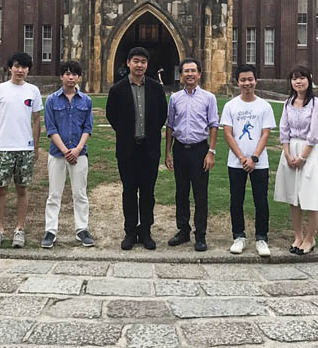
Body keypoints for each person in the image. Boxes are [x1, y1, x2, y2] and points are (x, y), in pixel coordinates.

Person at [106, 46, 168, 251]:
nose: (139, 65)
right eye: (136, 61)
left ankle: (146, 231)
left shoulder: (156, 88)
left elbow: (161, 115)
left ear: (147, 65)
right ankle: (130, 231)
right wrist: (126, 133)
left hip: (149, 149)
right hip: (127, 149)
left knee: (148, 192)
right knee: (129, 191)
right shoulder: (117, 89)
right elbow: (111, 116)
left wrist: (148, 132)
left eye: (143, 61)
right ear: (128, 63)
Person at [0, 52, 43, 249]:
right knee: (1, 189)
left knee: (22, 190)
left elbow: (36, 120)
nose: (20, 70)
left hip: (24, 148)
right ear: (10, 67)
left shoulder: (33, 91)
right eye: (17, 66)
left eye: (24, 67)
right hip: (3, 148)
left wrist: (35, 147)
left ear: (28, 70)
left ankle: (19, 229)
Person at [220, 64, 276, 257]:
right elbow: (228, 134)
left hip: (259, 162)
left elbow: (265, 133)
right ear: (238, 82)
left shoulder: (264, 106)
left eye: (250, 79)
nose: (247, 83)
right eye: (243, 80)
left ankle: (261, 238)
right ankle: (239, 236)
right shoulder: (231, 105)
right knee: (237, 200)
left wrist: (254, 157)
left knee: (261, 201)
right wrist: (243, 158)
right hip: (236, 162)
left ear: (255, 80)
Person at [274, 65, 318, 256]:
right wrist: (288, 153)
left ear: (309, 80)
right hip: (290, 151)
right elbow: (284, 130)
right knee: (294, 197)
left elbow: (315, 135)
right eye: (294, 78)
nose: (298, 82)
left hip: (310, 153)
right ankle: (297, 236)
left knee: (310, 196)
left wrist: (303, 157)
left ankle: (310, 238)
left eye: (302, 78)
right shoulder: (288, 102)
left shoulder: (317, 105)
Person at [164, 58, 219, 252]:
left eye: (193, 71)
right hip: (180, 149)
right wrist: (167, 153)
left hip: (199, 150)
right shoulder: (174, 98)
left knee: (200, 193)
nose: (189, 74)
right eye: (186, 71)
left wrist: (210, 152)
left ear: (199, 74)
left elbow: (213, 125)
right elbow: (170, 126)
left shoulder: (208, 98)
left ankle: (201, 234)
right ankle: (183, 230)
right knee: (181, 192)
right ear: (181, 75)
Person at [41, 60, 95, 248]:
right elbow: (51, 127)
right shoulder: (52, 100)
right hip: (57, 154)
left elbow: (87, 127)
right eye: (67, 73)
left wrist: (78, 149)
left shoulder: (86, 101)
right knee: (54, 194)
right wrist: (65, 150)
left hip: (79, 153)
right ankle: (50, 231)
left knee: (80, 194)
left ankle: (82, 229)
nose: (70, 77)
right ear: (61, 76)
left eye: (74, 74)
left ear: (79, 77)